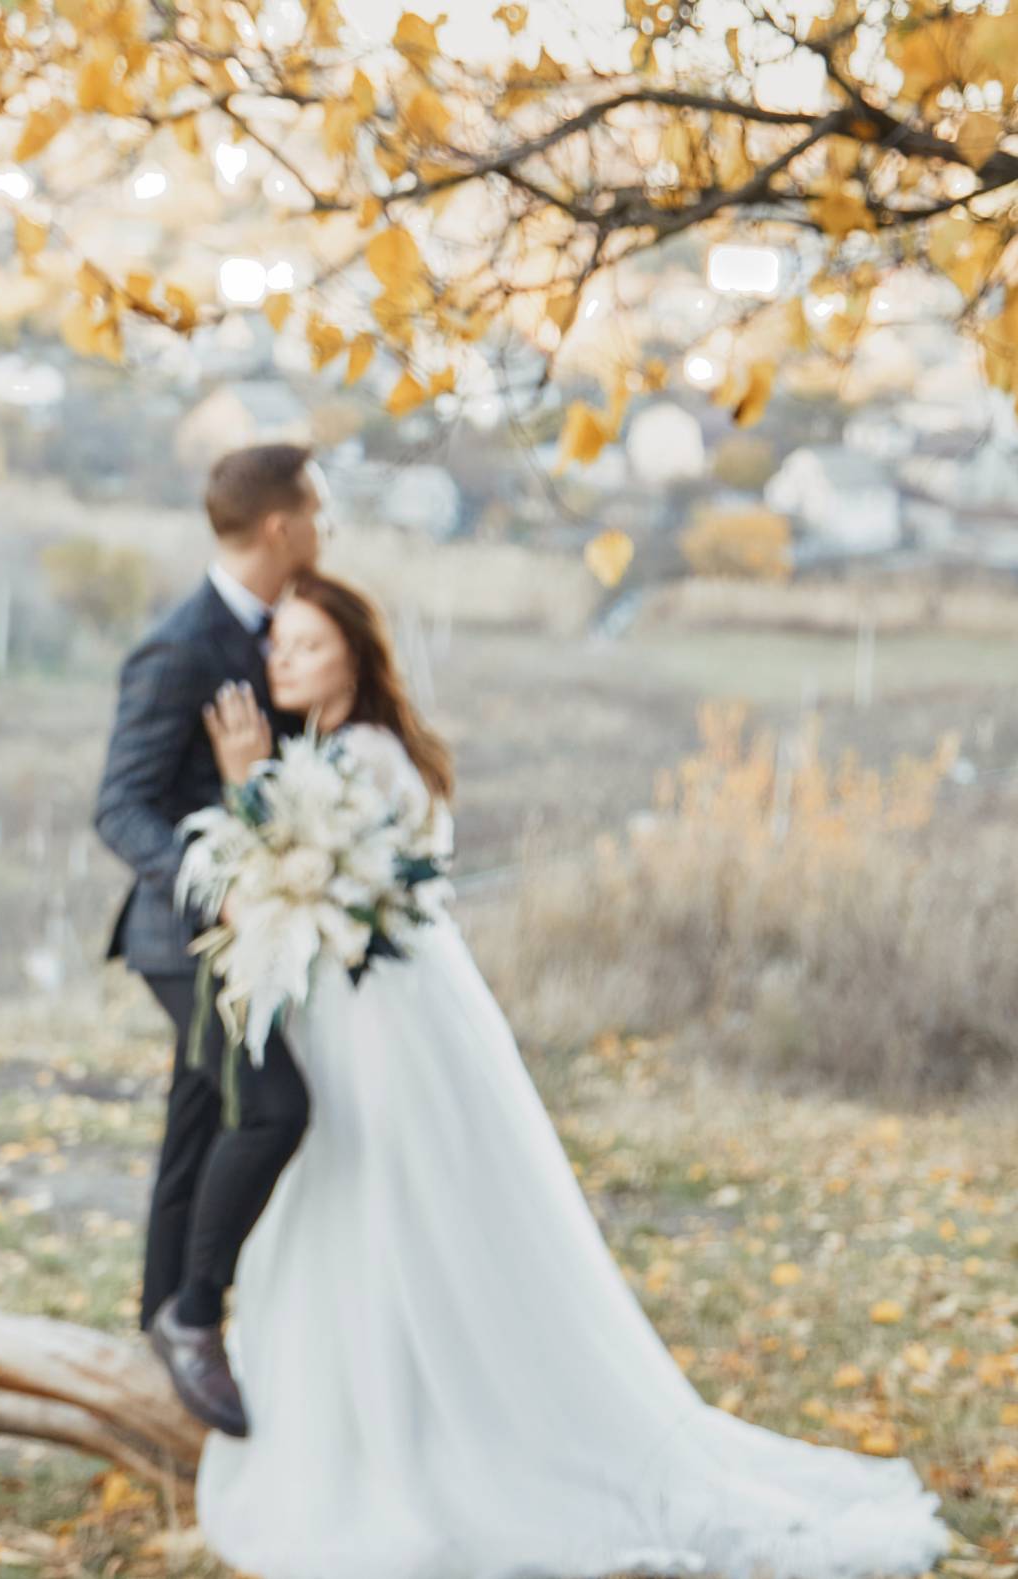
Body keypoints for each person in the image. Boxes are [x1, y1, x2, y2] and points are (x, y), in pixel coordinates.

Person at [190, 572, 953, 1579]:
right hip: (364, 1016)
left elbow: (331, 883)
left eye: (306, 645)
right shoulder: (333, 751)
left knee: (386, 1206)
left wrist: (246, 787)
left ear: (354, 657)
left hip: (385, 1024)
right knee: (347, 1207)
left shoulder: (364, 755)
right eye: (278, 644)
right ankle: (374, 1420)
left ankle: (415, 1444)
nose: (281, 661)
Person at [92, 443, 329, 1437]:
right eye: (315, 509)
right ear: (278, 524)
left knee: (196, 1119)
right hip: (181, 939)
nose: (324, 526)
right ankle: (195, 1318)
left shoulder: (292, 629)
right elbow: (119, 808)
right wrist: (218, 885)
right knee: (272, 1108)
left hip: (255, 932)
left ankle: (157, 1326)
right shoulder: (178, 647)